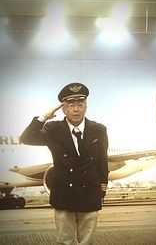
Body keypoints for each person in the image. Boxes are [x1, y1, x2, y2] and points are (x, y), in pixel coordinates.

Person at [20, 82, 109, 245]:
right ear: (63, 108)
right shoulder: (53, 129)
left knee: (87, 242)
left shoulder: (99, 130)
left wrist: (100, 191)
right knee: (64, 242)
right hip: (63, 195)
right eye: (71, 104)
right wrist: (44, 117)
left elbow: (102, 163)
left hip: (89, 193)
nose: (76, 109)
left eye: (80, 104)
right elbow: (26, 138)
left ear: (86, 107)